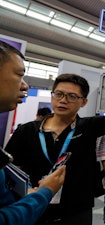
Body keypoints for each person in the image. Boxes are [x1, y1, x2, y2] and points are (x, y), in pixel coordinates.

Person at [5, 45, 105, 225]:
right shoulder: (27, 130)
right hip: (35, 209)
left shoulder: (88, 126)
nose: (63, 100)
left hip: (76, 213)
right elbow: (12, 171)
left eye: (72, 96)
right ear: (52, 95)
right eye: (59, 94)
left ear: (83, 102)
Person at [0, 40, 66, 225]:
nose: (25, 86)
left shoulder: (84, 129)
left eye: (72, 97)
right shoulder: (26, 130)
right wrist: (44, 193)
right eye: (19, 75)